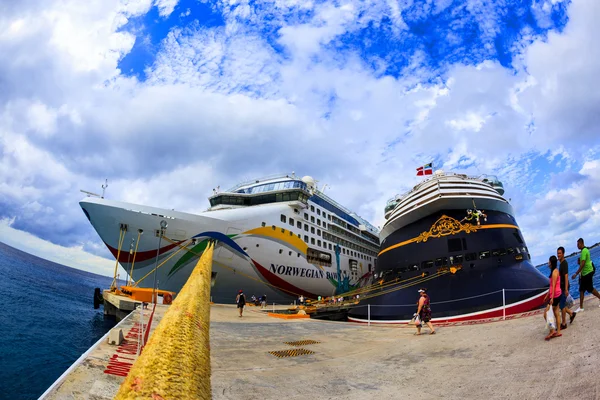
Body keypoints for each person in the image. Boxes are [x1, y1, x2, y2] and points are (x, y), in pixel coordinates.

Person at [571, 238, 600, 313]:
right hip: (585, 273)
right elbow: (583, 262)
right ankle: (581, 307)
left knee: (590, 289)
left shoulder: (584, 251)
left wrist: (576, 273)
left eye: (578, 244)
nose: (577, 246)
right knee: (581, 290)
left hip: (587, 272)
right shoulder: (585, 250)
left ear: (581, 243)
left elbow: (583, 263)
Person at [557, 246, 576, 329]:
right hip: (561, 287)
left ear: (563, 254)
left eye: (560, 253)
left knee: (562, 305)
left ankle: (564, 323)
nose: (558, 255)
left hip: (564, 287)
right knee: (562, 305)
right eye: (557, 253)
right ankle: (571, 314)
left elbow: (566, 276)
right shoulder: (561, 263)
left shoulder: (564, 263)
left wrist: (566, 289)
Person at [544, 256, 562, 341]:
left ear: (551, 262)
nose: (548, 263)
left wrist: (551, 298)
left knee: (546, 313)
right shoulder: (553, 271)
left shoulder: (555, 272)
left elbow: (554, 286)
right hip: (555, 294)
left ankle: (552, 331)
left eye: (549, 261)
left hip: (555, 295)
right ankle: (558, 331)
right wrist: (547, 295)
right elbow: (551, 286)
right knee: (556, 312)